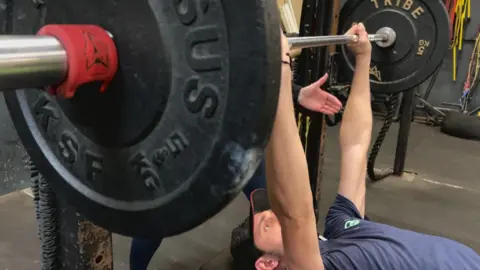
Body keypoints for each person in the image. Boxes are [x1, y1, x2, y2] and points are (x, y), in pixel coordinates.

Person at [230, 23, 480, 270]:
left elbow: (356, 146)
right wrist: (279, 74)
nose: (275, 213)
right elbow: (295, 214)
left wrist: (363, 59)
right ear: (268, 264)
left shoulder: (341, 226)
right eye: (267, 224)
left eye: (270, 212)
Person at [129, 57, 343, 270]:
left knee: (276, 200)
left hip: (231, 144)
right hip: (183, 144)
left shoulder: (228, 40)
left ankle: (290, 257)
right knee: (156, 221)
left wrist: (297, 93)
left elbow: (252, 74)